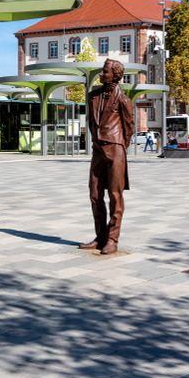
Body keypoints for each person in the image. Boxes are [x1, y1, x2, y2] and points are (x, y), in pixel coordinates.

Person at [79, 59, 134, 255]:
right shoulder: (93, 96)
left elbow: (129, 127)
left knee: (115, 195)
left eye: (105, 71)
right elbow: (92, 123)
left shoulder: (123, 100)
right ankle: (100, 236)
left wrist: (119, 146)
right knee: (95, 195)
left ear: (115, 75)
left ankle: (112, 239)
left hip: (115, 149)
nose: (101, 74)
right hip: (97, 151)